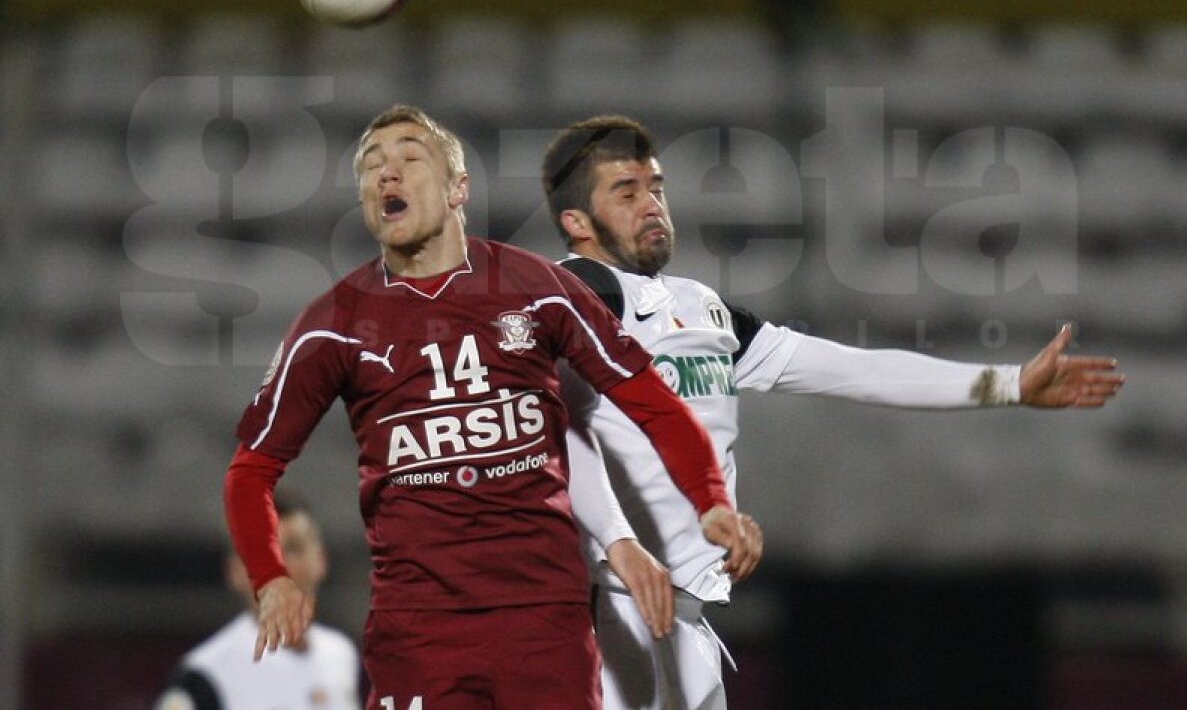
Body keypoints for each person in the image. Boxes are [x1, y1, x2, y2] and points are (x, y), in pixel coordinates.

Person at [540, 115, 1127, 710]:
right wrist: (616, 541)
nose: (652, 206)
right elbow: (549, 432)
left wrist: (1006, 383)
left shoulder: (701, 309)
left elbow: (853, 369)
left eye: (657, 188)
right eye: (627, 192)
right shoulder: (575, 299)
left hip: (682, 618)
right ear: (576, 223)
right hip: (603, 610)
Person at [223, 105, 754, 710]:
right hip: (418, 628)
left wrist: (709, 498)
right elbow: (251, 471)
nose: (386, 176)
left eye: (408, 159)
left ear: (458, 189)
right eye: (372, 168)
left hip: (544, 623)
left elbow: (652, 402)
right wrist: (270, 580)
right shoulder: (333, 326)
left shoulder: (537, 288)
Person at [153, 488, 362, 710]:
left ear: (320, 561)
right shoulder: (206, 675)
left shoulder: (339, 654)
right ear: (235, 571)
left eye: (293, 549)